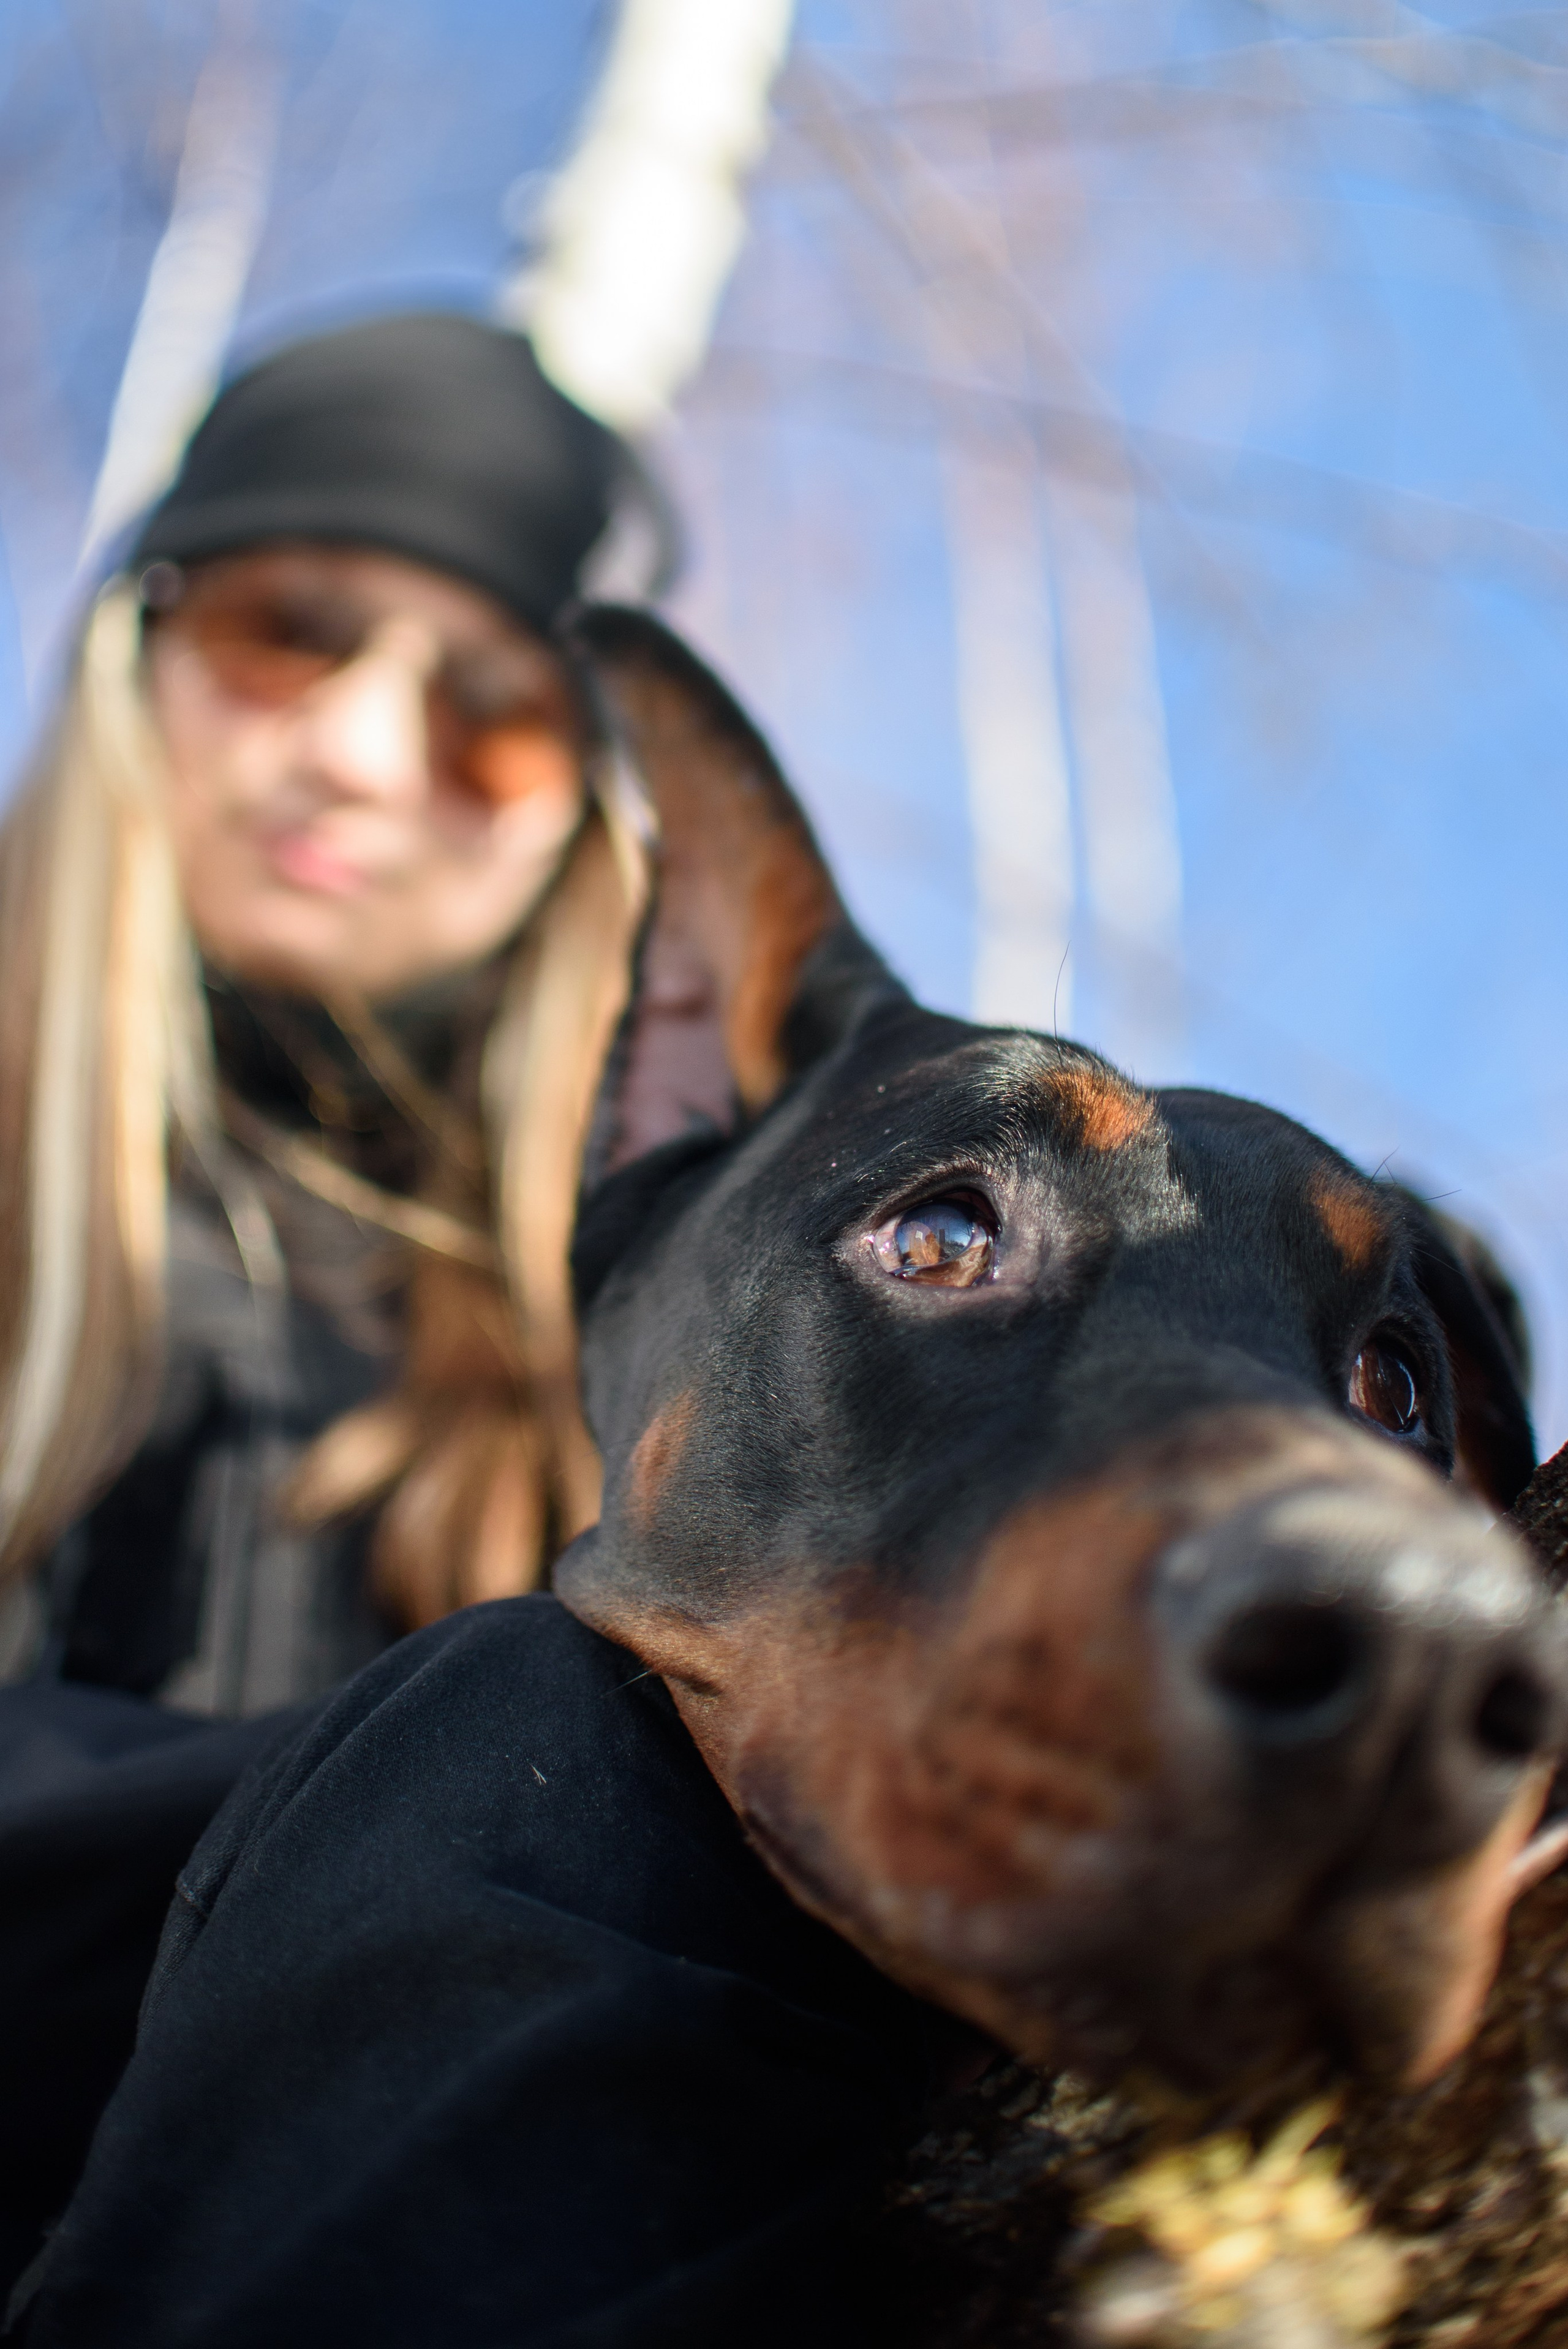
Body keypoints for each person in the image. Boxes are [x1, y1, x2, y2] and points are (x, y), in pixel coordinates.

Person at [0, 309, 669, 2288]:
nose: (366, 753)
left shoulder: (644, 1360)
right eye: (294, 626)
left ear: (572, 818)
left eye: (492, 708)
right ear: (145, 644)